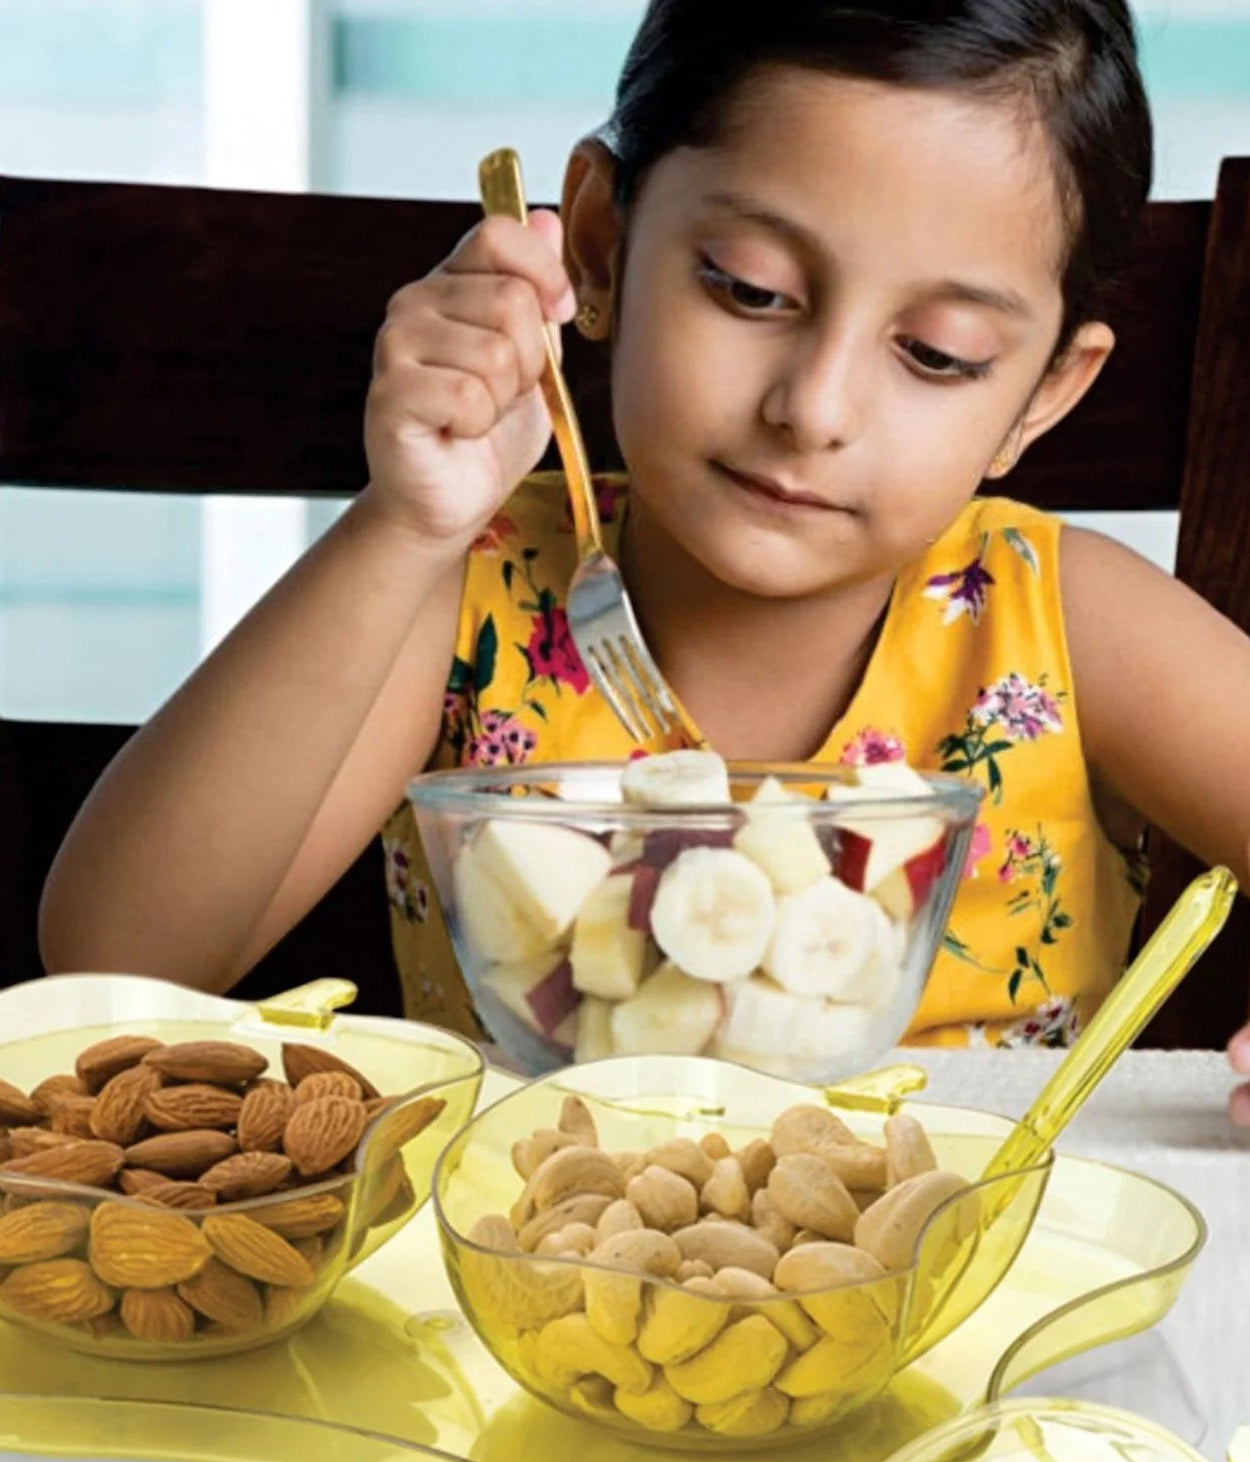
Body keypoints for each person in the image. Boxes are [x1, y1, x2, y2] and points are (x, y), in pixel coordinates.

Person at [38, 0, 1250, 1117]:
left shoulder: (1059, 625)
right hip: (536, 1296)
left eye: (934, 354)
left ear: (1042, 394)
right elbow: (117, 956)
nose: (814, 408)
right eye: (749, 288)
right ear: (602, 247)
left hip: (976, 1299)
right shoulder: (472, 587)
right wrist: (404, 523)